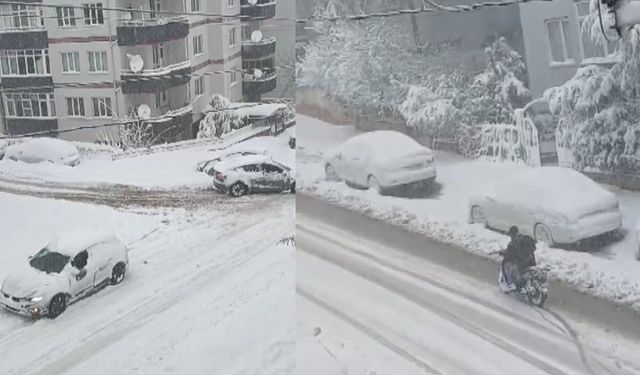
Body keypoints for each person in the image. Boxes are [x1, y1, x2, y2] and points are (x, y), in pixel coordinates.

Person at [499, 226, 537, 291]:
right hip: (531, 262)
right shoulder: (525, 239)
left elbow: (509, 254)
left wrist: (502, 253)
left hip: (521, 264)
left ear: (511, 234)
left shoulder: (512, 243)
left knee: (508, 266)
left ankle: (512, 285)